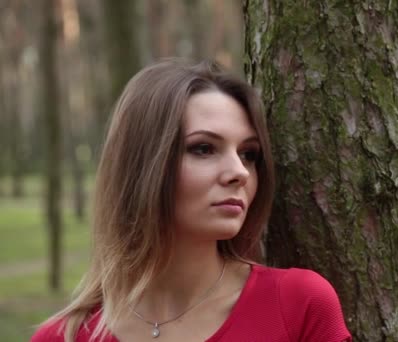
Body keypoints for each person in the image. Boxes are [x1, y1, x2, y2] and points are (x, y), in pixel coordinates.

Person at [31, 60, 351, 342]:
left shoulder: (297, 305)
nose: (239, 172)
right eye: (203, 148)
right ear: (142, 164)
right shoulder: (64, 337)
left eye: (248, 154)